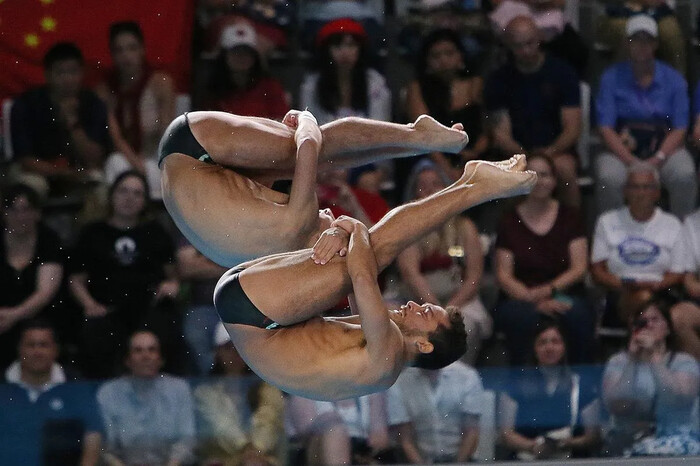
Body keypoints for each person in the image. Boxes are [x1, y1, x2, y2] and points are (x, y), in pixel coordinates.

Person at [212, 155, 537, 401]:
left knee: (375, 247)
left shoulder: (389, 356)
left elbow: (364, 277)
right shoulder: (387, 345)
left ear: (423, 345)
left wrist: (352, 226)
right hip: (254, 307)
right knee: (348, 241)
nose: (415, 304)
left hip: (256, 311)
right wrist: (344, 234)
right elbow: (356, 288)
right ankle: (469, 186)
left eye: (426, 314)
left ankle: (472, 188)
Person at [159, 109, 470, 268]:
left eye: (329, 219)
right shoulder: (269, 252)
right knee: (305, 161)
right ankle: (418, 142)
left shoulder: (297, 222)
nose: (328, 212)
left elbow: (309, 141)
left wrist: (305, 118)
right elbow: (244, 192)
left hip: (194, 140)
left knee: (306, 149)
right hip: (183, 170)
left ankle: (418, 134)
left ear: (318, 243)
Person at [68, 171, 179, 379]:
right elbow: (76, 280)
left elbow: (172, 275)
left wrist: (171, 285)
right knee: (94, 333)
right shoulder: (92, 233)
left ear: (145, 201)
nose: (129, 198)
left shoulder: (155, 232)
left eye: (137, 194)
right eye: (123, 191)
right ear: (112, 195)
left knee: (167, 326)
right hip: (106, 311)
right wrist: (89, 304)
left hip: (148, 310)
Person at [594, 14, 695, 219]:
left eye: (647, 40)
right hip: (621, 152)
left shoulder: (675, 80)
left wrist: (658, 158)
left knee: (684, 174)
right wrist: (630, 161)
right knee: (608, 177)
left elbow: (680, 128)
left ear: (656, 44)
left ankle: (681, 238)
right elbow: (605, 127)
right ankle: (612, 237)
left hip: (665, 151)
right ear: (627, 43)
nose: (642, 45)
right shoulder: (610, 77)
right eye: (635, 40)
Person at [494, 155, 592, 365]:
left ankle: (579, 388)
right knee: (521, 317)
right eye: (532, 175)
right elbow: (503, 275)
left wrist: (548, 292)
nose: (539, 181)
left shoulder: (571, 217)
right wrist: (532, 299)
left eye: (545, 175)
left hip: (562, 294)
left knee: (578, 313)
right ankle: (523, 389)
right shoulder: (508, 221)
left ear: (555, 180)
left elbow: (579, 268)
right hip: (520, 297)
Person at [397, 160, 491, 365]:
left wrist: (449, 309)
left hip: (460, 299)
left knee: (467, 326)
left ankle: (459, 379)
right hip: (416, 300)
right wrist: (433, 308)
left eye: (436, 184)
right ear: (414, 194)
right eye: (422, 186)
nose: (430, 190)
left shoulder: (465, 226)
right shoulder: (407, 229)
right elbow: (411, 275)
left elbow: (474, 276)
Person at [485, 16, 581, 207]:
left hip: (557, 151)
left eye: (530, 43)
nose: (526, 51)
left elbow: (572, 128)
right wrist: (526, 156)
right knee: (509, 174)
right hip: (517, 154)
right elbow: (501, 135)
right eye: (518, 46)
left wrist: (546, 155)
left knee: (565, 169)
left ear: (539, 38)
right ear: (509, 46)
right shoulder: (498, 80)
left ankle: (573, 229)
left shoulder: (563, 73)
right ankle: (511, 234)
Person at [602, 297, 700, 457]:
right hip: (630, 440)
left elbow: (678, 398)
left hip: (676, 440)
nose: (648, 325)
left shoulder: (684, 361)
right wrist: (632, 362)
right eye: (642, 321)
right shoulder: (619, 362)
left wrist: (654, 358)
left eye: (655, 320)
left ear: (667, 328)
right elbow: (617, 406)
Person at [10, 42, 109, 198]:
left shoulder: (93, 103)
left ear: (82, 73)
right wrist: (62, 173)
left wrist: (73, 122)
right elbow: (25, 159)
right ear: (47, 75)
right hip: (38, 172)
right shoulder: (26, 104)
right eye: (60, 73)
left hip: (80, 171)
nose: (67, 79)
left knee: (100, 186)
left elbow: (94, 158)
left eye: (73, 72)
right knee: (31, 186)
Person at [591, 163, 686, 325]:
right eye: (634, 187)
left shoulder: (672, 224)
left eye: (647, 187)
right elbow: (597, 270)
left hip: (660, 291)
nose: (641, 193)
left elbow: (678, 272)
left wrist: (656, 285)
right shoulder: (606, 221)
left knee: (646, 298)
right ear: (625, 192)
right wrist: (624, 284)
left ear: (657, 193)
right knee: (642, 298)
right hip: (619, 291)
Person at [0, 320, 102, 466]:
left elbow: (93, 434)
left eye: (43, 345)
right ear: (19, 350)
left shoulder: (75, 385)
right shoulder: (2, 385)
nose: (37, 352)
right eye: (31, 345)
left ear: (55, 350)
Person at [95, 21, 176, 200]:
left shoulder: (160, 83)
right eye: (119, 50)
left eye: (132, 48)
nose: (126, 56)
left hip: (155, 158)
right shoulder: (104, 90)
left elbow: (167, 133)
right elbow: (116, 139)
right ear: (112, 55)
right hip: (126, 159)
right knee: (114, 163)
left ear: (142, 50)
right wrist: (138, 168)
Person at [498, 319, 600, 460]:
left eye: (555, 342)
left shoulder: (582, 385)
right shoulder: (515, 385)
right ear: (534, 348)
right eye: (542, 342)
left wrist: (563, 444)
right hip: (526, 459)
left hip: (570, 459)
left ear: (564, 347)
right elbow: (506, 435)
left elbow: (593, 436)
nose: (549, 347)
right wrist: (534, 446)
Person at [97, 330, 196, 465]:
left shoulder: (179, 389)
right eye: (138, 350)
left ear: (161, 359)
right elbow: (106, 448)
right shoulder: (108, 393)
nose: (146, 356)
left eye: (152, 350)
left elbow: (187, 439)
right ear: (127, 360)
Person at [194, 323, 286, 466]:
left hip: (263, 461)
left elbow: (270, 421)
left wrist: (256, 451)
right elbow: (220, 426)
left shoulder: (267, 387)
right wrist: (246, 449)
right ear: (218, 352)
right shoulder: (205, 393)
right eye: (228, 347)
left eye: (239, 346)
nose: (235, 353)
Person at [404, 28, 489, 182]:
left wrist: (473, 155)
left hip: (475, 156)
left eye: (449, 53)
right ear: (427, 62)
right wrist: (447, 169)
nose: (443, 60)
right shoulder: (416, 89)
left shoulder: (476, 84)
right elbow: (423, 134)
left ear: (460, 56)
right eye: (436, 56)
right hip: (433, 157)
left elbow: (487, 130)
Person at [0, 185, 64, 372]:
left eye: (27, 209)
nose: (21, 216)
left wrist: (13, 315)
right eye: (14, 210)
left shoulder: (49, 240)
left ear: (37, 213)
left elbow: (45, 292)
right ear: (4, 212)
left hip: (38, 315)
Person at [387, 360, 484, 463]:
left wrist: (458, 464)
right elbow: (406, 439)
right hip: (420, 461)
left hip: (463, 460)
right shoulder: (401, 381)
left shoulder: (467, 375)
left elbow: (472, 432)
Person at [300, 18, 391, 126]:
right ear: (326, 50)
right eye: (337, 46)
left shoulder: (376, 84)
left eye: (351, 45)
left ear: (360, 49)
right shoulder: (311, 86)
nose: (345, 52)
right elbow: (308, 128)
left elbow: (381, 128)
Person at [201, 21, 289, 120]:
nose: (242, 58)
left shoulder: (270, 87)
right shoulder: (214, 90)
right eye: (236, 52)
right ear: (224, 56)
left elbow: (281, 121)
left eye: (246, 53)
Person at [597, 0, 687, 75]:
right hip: (617, 13)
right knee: (632, 34)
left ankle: (677, 87)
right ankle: (621, 88)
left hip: (659, 11)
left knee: (671, 33)